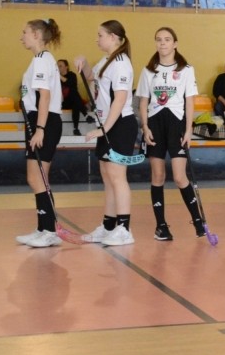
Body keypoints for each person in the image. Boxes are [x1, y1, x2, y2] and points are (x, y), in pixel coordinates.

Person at [136, 27, 205, 241]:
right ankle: (161, 226)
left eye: (167, 39)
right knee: (157, 176)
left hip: (176, 124)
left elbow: (189, 101)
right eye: (159, 39)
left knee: (179, 176)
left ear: (175, 43)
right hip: (155, 124)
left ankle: (198, 221)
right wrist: (145, 127)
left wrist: (188, 130)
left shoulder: (186, 69)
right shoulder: (149, 70)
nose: (162, 43)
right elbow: (143, 101)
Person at [76, 20, 138, 246]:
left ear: (113, 37)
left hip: (119, 125)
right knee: (107, 176)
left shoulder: (121, 63)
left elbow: (120, 99)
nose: (97, 39)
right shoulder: (107, 60)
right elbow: (91, 77)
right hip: (108, 124)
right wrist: (84, 64)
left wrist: (103, 129)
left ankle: (124, 229)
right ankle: (109, 225)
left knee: (117, 176)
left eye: (100, 35)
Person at [15, 19, 65, 248]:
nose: (21, 37)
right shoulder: (41, 59)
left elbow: (44, 96)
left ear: (36, 34)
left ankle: (50, 231)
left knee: (38, 178)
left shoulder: (42, 60)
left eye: (25, 32)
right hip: (39, 120)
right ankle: (43, 228)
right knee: (36, 178)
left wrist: (40, 129)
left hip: (44, 121)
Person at [57, 58, 89, 135]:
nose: (58, 68)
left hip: (72, 100)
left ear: (66, 67)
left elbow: (70, 83)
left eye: (60, 66)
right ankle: (86, 115)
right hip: (61, 103)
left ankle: (76, 128)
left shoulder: (72, 75)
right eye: (57, 66)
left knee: (73, 96)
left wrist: (58, 75)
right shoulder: (55, 78)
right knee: (74, 96)